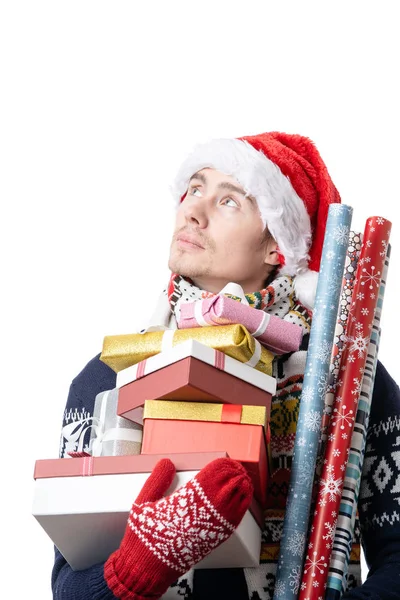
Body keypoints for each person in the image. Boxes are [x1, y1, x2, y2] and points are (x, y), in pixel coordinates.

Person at [51, 132, 400, 600]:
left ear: (277, 247)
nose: (193, 211)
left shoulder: (345, 379)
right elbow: (67, 588)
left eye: (229, 201)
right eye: (194, 190)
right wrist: (138, 566)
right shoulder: (105, 381)